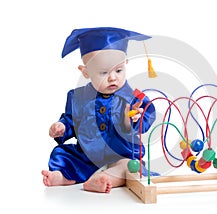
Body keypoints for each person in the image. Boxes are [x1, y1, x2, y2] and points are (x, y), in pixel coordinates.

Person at [41, 27, 157, 193]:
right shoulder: (78, 97)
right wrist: (62, 127)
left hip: (121, 155)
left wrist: (129, 119)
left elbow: (143, 122)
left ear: (126, 65)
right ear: (86, 72)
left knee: (130, 167)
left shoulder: (133, 99)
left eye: (118, 70)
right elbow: (71, 120)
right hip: (86, 156)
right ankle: (62, 177)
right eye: (103, 72)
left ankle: (103, 179)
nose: (112, 77)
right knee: (63, 155)